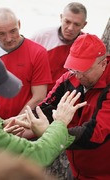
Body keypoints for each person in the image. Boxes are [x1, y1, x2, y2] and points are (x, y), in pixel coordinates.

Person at [38, 33, 110, 179]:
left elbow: (95, 134)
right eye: (74, 68)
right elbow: (46, 108)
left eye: (84, 70)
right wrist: (21, 121)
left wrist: (53, 134)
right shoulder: (70, 77)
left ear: (103, 64)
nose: (78, 76)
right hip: (76, 169)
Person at [0, 8, 52, 122]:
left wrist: (15, 122)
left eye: (13, 31)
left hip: (25, 123)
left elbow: (39, 96)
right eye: (1, 34)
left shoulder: (38, 52)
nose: (8, 38)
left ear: (19, 24)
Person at [31, 2, 87, 91]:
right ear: (61, 18)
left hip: (66, 97)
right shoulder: (41, 36)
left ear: (84, 25)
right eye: (67, 22)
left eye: (76, 24)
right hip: (38, 93)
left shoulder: (87, 44)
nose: (70, 28)